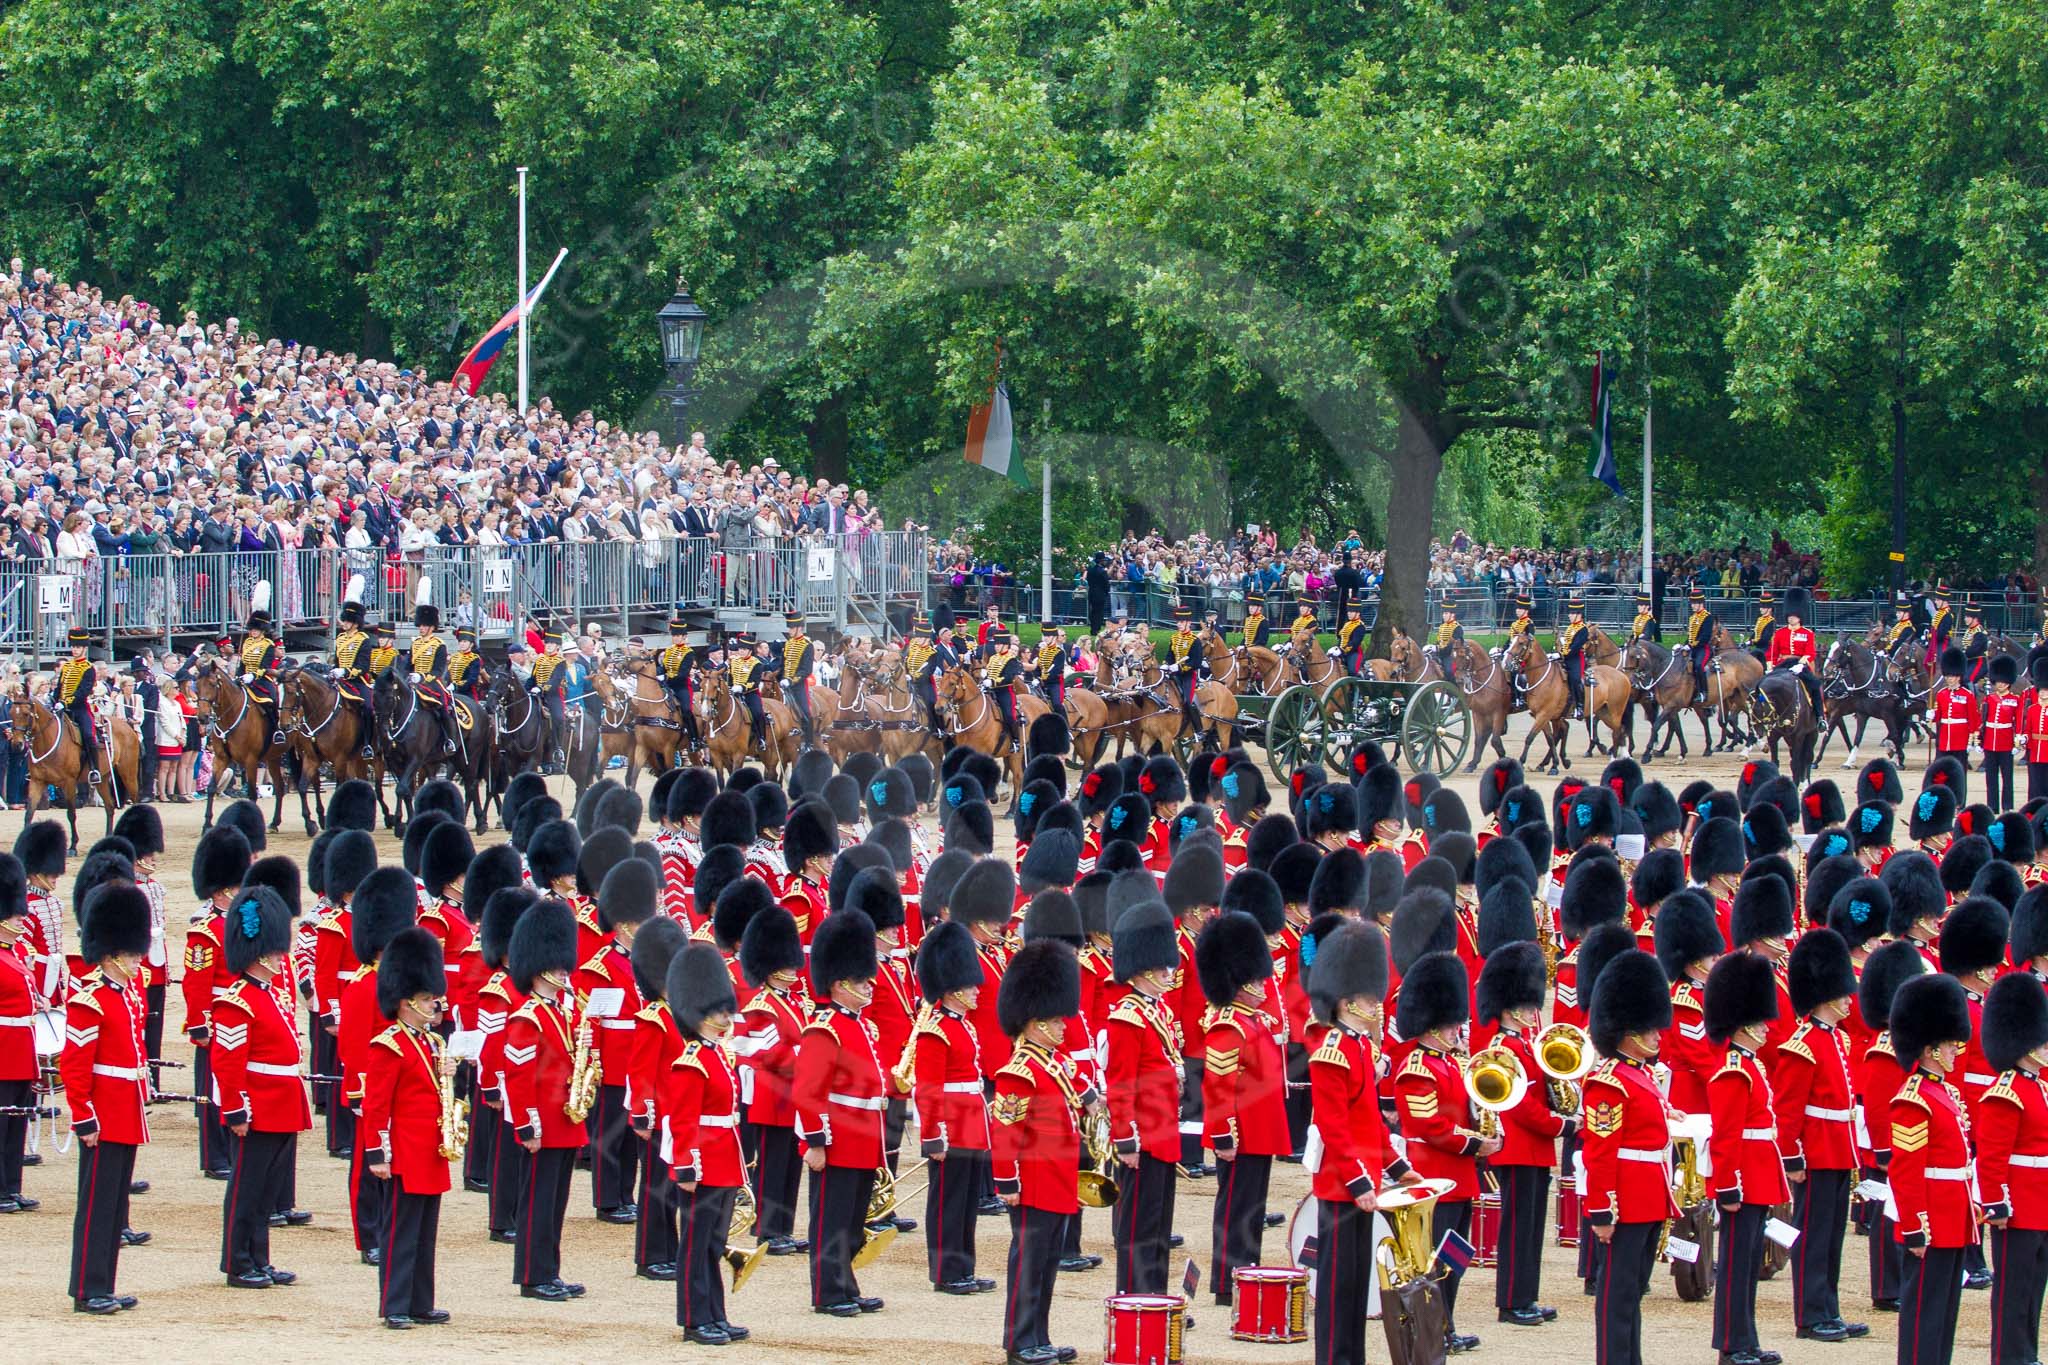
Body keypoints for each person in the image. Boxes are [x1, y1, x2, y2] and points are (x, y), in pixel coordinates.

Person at [1306, 919, 1410, 1365]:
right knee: (1337, 1286)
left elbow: (1368, 1121)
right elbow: (1335, 1128)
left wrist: (1400, 1168)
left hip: (1365, 1180)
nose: (1377, 1002)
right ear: (1348, 1002)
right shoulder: (1332, 1051)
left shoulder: (1361, 1049)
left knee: (1356, 1282)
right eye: (1369, 997)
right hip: (1342, 1183)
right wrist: (1359, 1182)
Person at [991, 940, 1087, 1365]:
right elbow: (1006, 1132)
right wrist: (1007, 1181)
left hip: (1058, 1177)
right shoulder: (1018, 1072)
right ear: (1033, 1023)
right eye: (1055, 1020)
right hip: (1032, 1181)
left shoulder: (1054, 1064)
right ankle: (1019, 1342)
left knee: (1046, 1266)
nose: (1064, 1026)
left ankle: (1039, 1335)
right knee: (1029, 1265)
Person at [60, 880, 153, 1314]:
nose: (139, 960)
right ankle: (87, 1288)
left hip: (126, 1111)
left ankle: (105, 1284)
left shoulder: (127, 996)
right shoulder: (90, 1000)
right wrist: (83, 1116)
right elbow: (75, 1067)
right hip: (103, 1114)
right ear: (113, 953)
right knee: (97, 1208)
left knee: (114, 1208)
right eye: (133, 954)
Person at [1581, 949, 1677, 1365]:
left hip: (1650, 1197)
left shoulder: (1640, 1075)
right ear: (1625, 1030)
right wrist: (1601, 1211)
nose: (1658, 1036)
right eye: (1649, 1029)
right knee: (1617, 1296)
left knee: (1632, 1291)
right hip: (1625, 1202)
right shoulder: (1609, 1083)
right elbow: (1599, 1153)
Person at [211, 883, 310, 1289]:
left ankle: (259, 1258)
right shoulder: (237, 1001)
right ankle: (238, 1261)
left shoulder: (272, 995)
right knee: (246, 1188)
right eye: (271, 950)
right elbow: (227, 1062)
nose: (278, 956)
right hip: (257, 1105)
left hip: (282, 1102)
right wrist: (236, 1107)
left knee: (266, 1190)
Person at [1772, 928, 1866, 1344]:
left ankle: (1829, 1308)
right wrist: (1792, 1158)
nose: (1850, 1000)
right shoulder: (1802, 1045)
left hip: (1839, 1149)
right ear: (1826, 995)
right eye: (1844, 994)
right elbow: (1788, 1111)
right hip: (1814, 1154)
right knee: (1812, 1238)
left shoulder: (1838, 1040)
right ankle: (1810, 1315)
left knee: (1832, 1238)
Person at [792, 908, 887, 1317]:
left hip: (864, 1135)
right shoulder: (824, 1028)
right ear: (838, 984)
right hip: (839, 1139)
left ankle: (846, 1284)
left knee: (851, 1221)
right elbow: (807, 1093)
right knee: (831, 1221)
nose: (868, 986)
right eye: (860, 981)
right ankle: (827, 1292)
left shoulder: (862, 1026)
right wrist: (815, 1142)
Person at [1395, 951, 1492, 1353]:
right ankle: (1433, 1330)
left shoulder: (1452, 1064)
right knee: (1434, 1262)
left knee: (1453, 1259)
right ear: (1434, 1025)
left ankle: (1446, 1326)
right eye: (1453, 1023)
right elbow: (1430, 1127)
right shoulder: (1417, 1068)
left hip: (1459, 1176)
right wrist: (1476, 1142)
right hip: (1435, 1176)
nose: (1459, 1029)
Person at [363, 926, 455, 1329]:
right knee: (400, 1233)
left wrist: (451, 1072)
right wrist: (377, 1154)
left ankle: (420, 1301)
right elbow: (376, 1106)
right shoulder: (389, 1045)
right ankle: (395, 1303)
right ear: (405, 1002)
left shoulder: (431, 1042)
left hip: (431, 1149)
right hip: (402, 1151)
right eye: (424, 1000)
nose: (431, 1005)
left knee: (425, 1234)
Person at [1195, 911, 1286, 1305]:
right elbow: (1218, 1088)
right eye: (1255, 979)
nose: (1263, 985)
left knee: (1252, 1209)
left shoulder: (1254, 1020)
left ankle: (1246, 1273)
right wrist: (1222, 1135)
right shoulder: (1229, 1026)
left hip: (1260, 1129)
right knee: (1235, 1209)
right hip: (1241, 1133)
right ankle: (1226, 1283)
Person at [1886, 972, 1977, 1365]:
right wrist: (1914, 1227)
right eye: (1949, 1044)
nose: (1956, 1051)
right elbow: (1905, 1173)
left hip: (1953, 1216)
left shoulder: (1944, 1093)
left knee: (1944, 1312)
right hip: (1931, 1220)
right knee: (1924, 1313)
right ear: (1929, 1049)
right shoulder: (1914, 1100)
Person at [662, 941, 750, 1345]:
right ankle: (694, 1318)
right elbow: (683, 1121)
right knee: (695, 1246)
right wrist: (687, 1167)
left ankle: (715, 1312)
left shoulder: (718, 1055)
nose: (726, 1015)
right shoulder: (691, 1060)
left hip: (723, 1159)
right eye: (719, 1009)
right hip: (703, 1163)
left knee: (713, 1243)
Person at [1477, 940, 1568, 1328]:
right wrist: (1561, 1124)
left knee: (1531, 1229)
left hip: (1535, 1148)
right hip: (1517, 1146)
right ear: (1512, 1006)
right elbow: (1519, 1105)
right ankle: (1511, 1300)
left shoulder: (1526, 1044)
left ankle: (1526, 1294)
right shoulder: (1503, 1049)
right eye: (1530, 1005)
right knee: (1517, 1230)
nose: (1536, 1011)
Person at [1704, 950, 1788, 1365]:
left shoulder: (1751, 1065)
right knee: (1736, 1268)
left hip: (1758, 1175)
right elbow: (1726, 1136)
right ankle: (1731, 1344)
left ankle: (1747, 1339)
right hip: (1742, 1178)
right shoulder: (1733, 1070)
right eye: (1758, 1022)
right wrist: (1728, 1185)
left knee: (1750, 1263)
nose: (1766, 1028)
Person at [504, 899, 587, 1303]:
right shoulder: (526, 1017)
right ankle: (533, 1276)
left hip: (566, 1120)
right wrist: (527, 1125)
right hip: (543, 1124)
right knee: (538, 1204)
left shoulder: (563, 1014)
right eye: (557, 967)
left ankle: (550, 1270)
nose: (563, 972)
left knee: (555, 1204)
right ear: (538, 969)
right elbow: (519, 1079)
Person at [912, 920, 994, 1294]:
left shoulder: (965, 1026)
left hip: (972, 1122)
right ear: (953, 989)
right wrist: (933, 1137)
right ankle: (946, 1270)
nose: (977, 991)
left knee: (965, 1203)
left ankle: (964, 1266)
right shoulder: (935, 1030)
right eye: (970, 986)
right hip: (951, 1127)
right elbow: (928, 1091)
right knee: (947, 1200)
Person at [574, 857, 656, 1224]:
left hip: (637, 1059)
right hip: (611, 1060)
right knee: (610, 1134)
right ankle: (608, 1200)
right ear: (623, 925)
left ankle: (626, 1194)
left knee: (631, 1136)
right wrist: (595, 1061)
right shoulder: (600, 966)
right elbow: (591, 1018)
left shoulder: (646, 963)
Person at [1106, 900, 1182, 1295]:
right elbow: (1120, 1083)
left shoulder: (1158, 1012)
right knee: (1137, 1226)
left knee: (1158, 1225)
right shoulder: (1127, 1017)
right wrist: (1125, 1138)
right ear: (1142, 970)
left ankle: (1155, 1294)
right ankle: (1134, 1296)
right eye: (1162, 967)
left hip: (1163, 1132)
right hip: (1143, 1137)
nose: (1169, 974)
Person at [1978, 972, 2048, 1365]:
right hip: (2018, 1206)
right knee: (2013, 1290)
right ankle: (2008, 1357)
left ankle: (2026, 1354)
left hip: (2041, 1203)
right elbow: (1992, 1157)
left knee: (2034, 1287)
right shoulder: (2005, 1093)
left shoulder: (2038, 1086)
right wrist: (1996, 1203)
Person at [409, 602, 459, 759]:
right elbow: (407, 664)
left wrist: (422, 677)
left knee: (443, 707)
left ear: (432, 627)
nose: (421, 628)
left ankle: (449, 740)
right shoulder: (415, 643)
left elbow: (438, 670)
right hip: (414, 682)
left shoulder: (439, 645)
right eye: (421, 625)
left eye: (425, 625)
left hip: (431, 683)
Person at [1764, 587, 1821, 720]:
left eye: (1793, 616)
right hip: (1782, 663)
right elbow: (1772, 652)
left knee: (1814, 686)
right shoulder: (1780, 633)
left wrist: (1802, 663)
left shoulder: (1807, 633)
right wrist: (1769, 666)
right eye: (1789, 616)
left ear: (1799, 617)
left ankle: (1820, 716)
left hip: (1800, 663)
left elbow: (1810, 652)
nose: (1791, 619)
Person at [333, 595, 377, 760]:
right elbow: (337, 660)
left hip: (358, 681)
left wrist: (345, 672)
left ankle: (367, 744)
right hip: (340, 681)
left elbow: (363, 666)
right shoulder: (340, 639)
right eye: (344, 620)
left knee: (368, 708)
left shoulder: (363, 640)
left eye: (347, 621)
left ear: (355, 622)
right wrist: (334, 671)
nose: (344, 623)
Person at [55, 628, 100, 786]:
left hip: (79, 708)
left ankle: (95, 769)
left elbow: (83, 692)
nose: (74, 650)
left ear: (84, 649)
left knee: (88, 735)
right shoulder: (66, 667)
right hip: (61, 707)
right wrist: (55, 700)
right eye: (73, 646)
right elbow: (59, 687)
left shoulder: (88, 668)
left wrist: (65, 702)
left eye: (78, 647)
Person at [240, 598, 286, 748]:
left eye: (256, 629)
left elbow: (265, 666)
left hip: (261, 680)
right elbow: (242, 662)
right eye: (252, 629)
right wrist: (238, 676)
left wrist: (253, 675)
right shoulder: (246, 642)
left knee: (271, 701)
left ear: (262, 630)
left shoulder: (268, 645)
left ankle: (276, 731)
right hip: (245, 678)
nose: (253, 631)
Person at [1981, 655, 2023, 811]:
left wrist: (2017, 740)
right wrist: (1980, 740)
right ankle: (1992, 806)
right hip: (1990, 742)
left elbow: (2018, 721)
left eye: (2003, 682)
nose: (2000, 684)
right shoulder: (1989, 699)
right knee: (1990, 778)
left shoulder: (2015, 700)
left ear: (2008, 683)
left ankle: (2007, 806)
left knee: (2007, 778)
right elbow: (1983, 721)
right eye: (1998, 681)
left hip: (2006, 743)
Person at [657, 616, 700, 749]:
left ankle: (694, 738)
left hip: (681, 686)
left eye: (678, 635)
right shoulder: (669, 651)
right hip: (667, 685)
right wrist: (659, 674)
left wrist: (667, 678)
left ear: (684, 637)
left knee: (686, 710)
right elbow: (663, 667)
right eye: (674, 635)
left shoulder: (689, 652)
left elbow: (683, 672)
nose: (675, 638)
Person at [1931, 648, 1977, 773]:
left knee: (1960, 771)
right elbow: (1939, 717)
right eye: (1947, 676)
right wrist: (1931, 715)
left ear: (1958, 677)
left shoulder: (1967, 695)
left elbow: (1973, 718)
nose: (1949, 679)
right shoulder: (1941, 694)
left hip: (1961, 738)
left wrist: (1972, 740)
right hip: (1945, 738)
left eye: (1952, 676)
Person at [529, 630, 569, 768]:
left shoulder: (560, 661)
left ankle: (558, 748)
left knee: (558, 718)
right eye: (547, 643)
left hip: (552, 695)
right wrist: (526, 689)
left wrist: (541, 688)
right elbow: (532, 678)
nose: (549, 646)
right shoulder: (540, 659)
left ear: (557, 646)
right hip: (536, 693)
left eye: (552, 644)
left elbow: (555, 679)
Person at [1167, 604, 1204, 736]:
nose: (1179, 624)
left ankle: (1198, 730)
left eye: (1181, 622)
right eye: (1178, 622)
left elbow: (1196, 662)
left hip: (1188, 675)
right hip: (1173, 675)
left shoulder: (1195, 641)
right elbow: (1169, 656)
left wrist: (1180, 667)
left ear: (1188, 622)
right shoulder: (1174, 638)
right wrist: (1167, 665)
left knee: (1188, 701)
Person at [984, 625, 1023, 751]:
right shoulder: (993, 658)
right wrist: (985, 679)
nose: (996, 646)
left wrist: (993, 682)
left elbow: (1008, 678)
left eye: (999, 644)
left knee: (1009, 716)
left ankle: (1015, 740)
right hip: (990, 691)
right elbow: (989, 673)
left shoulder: (1011, 660)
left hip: (1004, 692)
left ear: (1006, 645)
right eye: (995, 644)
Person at [782, 611, 817, 747]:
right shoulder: (788, 644)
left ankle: (808, 743)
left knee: (805, 712)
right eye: (789, 628)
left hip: (798, 685)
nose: (790, 631)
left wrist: (791, 681)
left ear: (799, 628)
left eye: (792, 628)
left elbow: (806, 670)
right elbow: (782, 664)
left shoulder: (807, 645)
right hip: (783, 683)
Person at [729, 633, 768, 753]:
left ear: (750, 650)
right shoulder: (734, 662)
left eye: (744, 649)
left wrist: (742, 687)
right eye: (740, 649)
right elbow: (730, 678)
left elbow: (754, 682)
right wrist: (730, 687)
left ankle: (762, 738)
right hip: (734, 693)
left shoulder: (756, 663)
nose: (741, 651)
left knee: (757, 713)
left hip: (750, 693)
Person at [1558, 595, 1589, 720]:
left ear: (1579, 614)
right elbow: (1566, 643)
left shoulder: (1583, 629)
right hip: (1566, 657)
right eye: (1570, 613)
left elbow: (1576, 646)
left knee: (1575, 679)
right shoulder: (1570, 628)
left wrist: (1564, 653)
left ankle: (1580, 706)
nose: (1569, 615)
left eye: (1572, 613)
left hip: (1576, 658)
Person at [1685, 585, 1716, 699]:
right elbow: (1690, 636)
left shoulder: (1708, 617)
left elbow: (1705, 637)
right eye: (1692, 603)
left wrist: (1691, 645)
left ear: (1701, 603)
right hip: (1692, 648)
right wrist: (1684, 645)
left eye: (1695, 603)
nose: (1692, 605)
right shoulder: (1692, 617)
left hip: (1703, 649)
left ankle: (1704, 692)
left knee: (1698, 666)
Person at [1030, 621, 1066, 714]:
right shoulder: (1042, 651)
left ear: (1054, 637)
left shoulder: (1059, 652)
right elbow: (1038, 668)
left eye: (1048, 636)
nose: (1045, 638)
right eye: (1044, 635)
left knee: (1057, 704)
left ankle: (1065, 726)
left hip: (1054, 683)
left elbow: (1055, 670)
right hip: (1041, 684)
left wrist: (1043, 678)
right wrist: (1037, 677)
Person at [449, 627, 486, 704]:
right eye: (460, 641)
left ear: (471, 644)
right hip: (451, 691)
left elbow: (472, 679)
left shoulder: (474, 659)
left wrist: (458, 687)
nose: (462, 644)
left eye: (465, 642)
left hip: (467, 693)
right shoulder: (454, 657)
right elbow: (449, 674)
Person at [1434, 603, 1464, 684]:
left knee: (1449, 671)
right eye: (1443, 613)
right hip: (1439, 653)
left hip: (1450, 655)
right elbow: (1439, 641)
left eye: (1446, 613)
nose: (1444, 615)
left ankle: (1454, 691)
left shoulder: (1457, 627)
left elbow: (1452, 644)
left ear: (1452, 615)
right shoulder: (1441, 626)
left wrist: (1441, 650)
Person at [1335, 603, 1366, 676]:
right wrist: (1336, 648)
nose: (1349, 613)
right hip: (1341, 651)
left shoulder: (1360, 626)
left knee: (1352, 671)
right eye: (1348, 611)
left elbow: (1354, 643)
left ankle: (1357, 685)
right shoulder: (1347, 624)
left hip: (1354, 652)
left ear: (1358, 613)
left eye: (1351, 612)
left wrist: (1342, 651)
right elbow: (1342, 639)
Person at [1748, 588, 1779, 659]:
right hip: (1758, 647)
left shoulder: (1771, 621)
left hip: (1766, 649)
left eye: (1763, 607)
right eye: (1761, 607)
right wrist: (1748, 641)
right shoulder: (1760, 619)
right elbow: (1755, 633)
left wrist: (1753, 642)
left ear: (1769, 609)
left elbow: (1765, 639)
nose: (1760, 609)